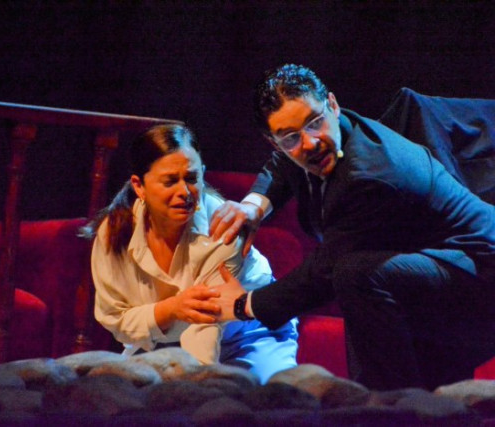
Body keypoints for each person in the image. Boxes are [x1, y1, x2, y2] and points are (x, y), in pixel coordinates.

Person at [209, 64, 495, 391]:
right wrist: (253, 205)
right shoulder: (336, 130)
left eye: (314, 122)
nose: (310, 142)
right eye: (290, 137)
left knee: (355, 274)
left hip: (483, 272)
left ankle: (393, 402)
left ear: (332, 104)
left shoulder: (367, 175)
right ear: (274, 142)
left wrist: (243, 304)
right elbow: (283, 164)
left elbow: (322, 273)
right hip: (439, 261)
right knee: (360, 275)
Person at [83, 124, 298, 383]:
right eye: (170, 181)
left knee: (246, 395)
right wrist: (172, 308)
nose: (184, 192)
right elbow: (116, 318)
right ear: (139, 186)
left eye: (192, 179)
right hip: (165, 342)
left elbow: (205, 326)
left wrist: (198, 387)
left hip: (248, 336)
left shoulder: (223, 226)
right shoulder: (115, 231)